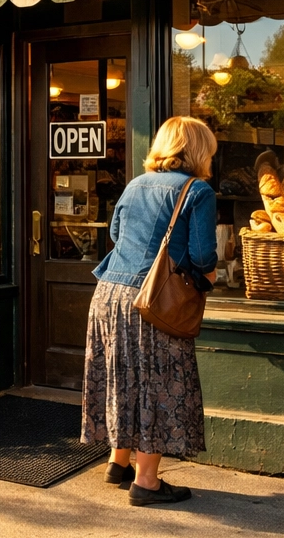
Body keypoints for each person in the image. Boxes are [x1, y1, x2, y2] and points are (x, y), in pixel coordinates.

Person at [82, 116, 217, 506]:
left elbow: (114, 234)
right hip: (153, 299)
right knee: (157, 382)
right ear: (197, 150)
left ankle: (117, 461)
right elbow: (202, 254)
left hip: (108, 293)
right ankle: (146, 482)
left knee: (121, 376)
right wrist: (205, 277)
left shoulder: (135, 184)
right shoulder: (198, 191)